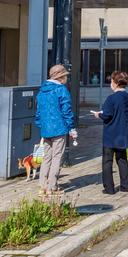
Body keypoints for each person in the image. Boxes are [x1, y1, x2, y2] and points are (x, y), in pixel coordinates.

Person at [34, 64, 77, 196]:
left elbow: (38, 114)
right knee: (57, 157)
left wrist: (43, 126)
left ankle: (42, 187)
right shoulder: (61, 90)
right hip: (59, 129)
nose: (65, 79)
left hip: (46, 130)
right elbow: (66, 111)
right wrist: (72, 128)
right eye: (64, 76)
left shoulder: (42, 91)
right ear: (61, 77)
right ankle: (52, 188)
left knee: (46, 158)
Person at [92, 70, 128, 194]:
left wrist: (98, 114)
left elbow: (107, 115)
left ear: (115, 83)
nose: (111, 83)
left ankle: (109, 188)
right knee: (122, 160)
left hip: (111, 135)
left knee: (107, 161)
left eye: (111, 81)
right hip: (123, 135)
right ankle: (126, 186)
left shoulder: (111, 99)